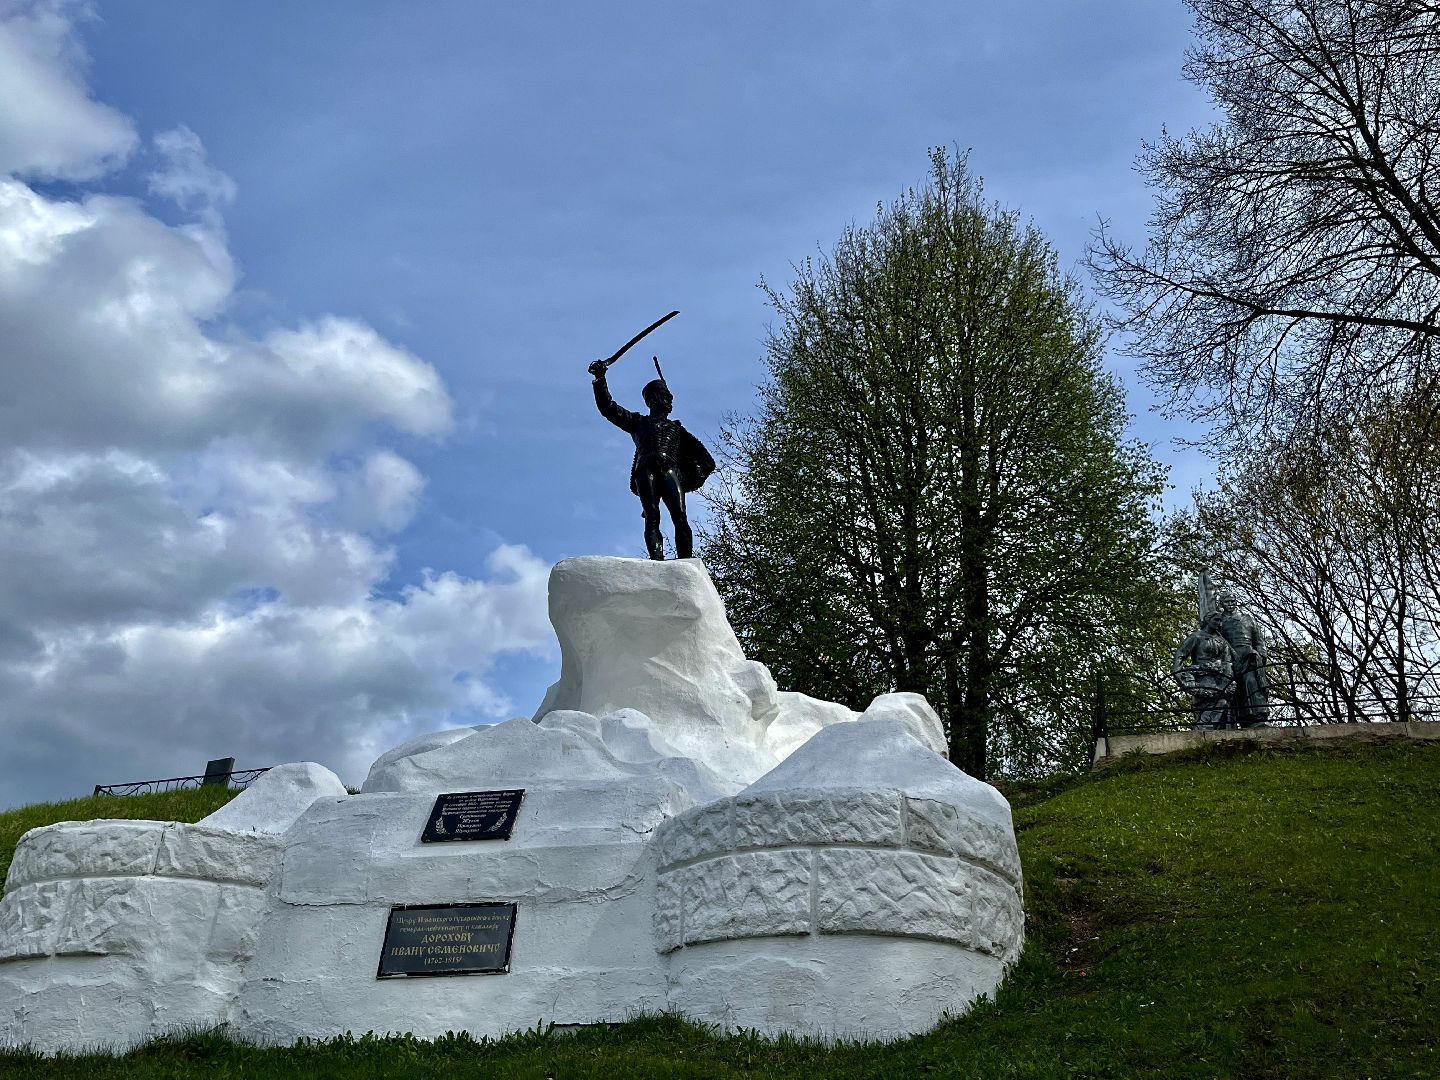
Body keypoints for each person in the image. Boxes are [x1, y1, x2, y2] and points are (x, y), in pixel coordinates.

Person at [587, 359, 715, 560]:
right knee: (652, 517)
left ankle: (685, 563)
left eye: (670, 398)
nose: (669, 401)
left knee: (680, 517)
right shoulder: (638, 423)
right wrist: (600, 380)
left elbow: (707, 461)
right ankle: (657, 562)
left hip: (670, 469)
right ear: (653, 399)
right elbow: (609, 408)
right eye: (665, 396)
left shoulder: (677, 429)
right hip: (645, 470)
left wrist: (689, 479)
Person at [1173, 610, 1237, 730]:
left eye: (1220, 620)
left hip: (1218, 677)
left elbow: (1227, 661)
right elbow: (1181, 653)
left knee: (1221, 702)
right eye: (1216, 620)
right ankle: (1202, 730)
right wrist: (1177, 672)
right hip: (1201, 676)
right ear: (1208, 620)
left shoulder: (1222, 641)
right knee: (1208, 703)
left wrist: (1227, 680)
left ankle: (1205, 730)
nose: (1219, 623)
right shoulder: (1196, 636)